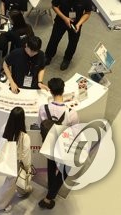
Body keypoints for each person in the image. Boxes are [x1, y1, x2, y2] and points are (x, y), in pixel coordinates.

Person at [37, 77, 80, 210]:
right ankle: (49, 197)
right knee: (66, 169)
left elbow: (40, 125)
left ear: (50, 91)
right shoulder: (71, 113)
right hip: (62, 144)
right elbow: (75, 133)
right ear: (63, 90)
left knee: (51, 164)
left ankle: (51, 188)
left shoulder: (43, 108)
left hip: (48, 142)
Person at [43, 0, 94, 71]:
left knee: (73, 43)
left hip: (76, 23)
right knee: (54, 39)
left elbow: (87, 13)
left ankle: (67, 59)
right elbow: (54, 6)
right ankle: (48, 56)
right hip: (61, 20)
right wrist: (65, 18)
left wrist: (79, 24)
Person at [0, 106, 33, 212]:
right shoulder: (24, 137)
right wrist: (28, 167)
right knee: (9, 184)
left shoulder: (5, 128)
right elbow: (26, 156)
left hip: (6, 158)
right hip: (15, 163)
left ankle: (21, 191)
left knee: (13, 180)